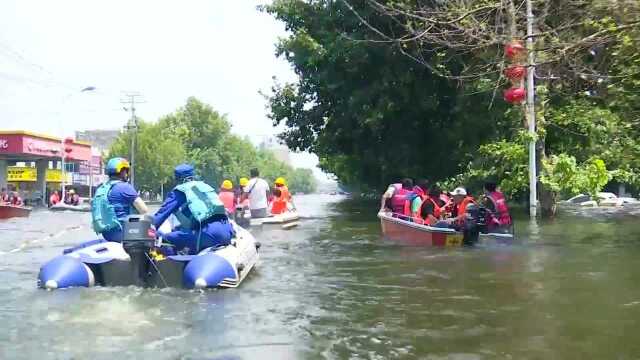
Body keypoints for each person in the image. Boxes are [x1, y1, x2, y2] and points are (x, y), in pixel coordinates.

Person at [153, 164, 235, 255]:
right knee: (181, 232)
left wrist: (149, 228)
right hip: (226, 231)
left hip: (207, 234)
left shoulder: (180, 191)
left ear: (178, 179)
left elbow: (160, 216)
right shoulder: (205, 186)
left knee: (163, 238)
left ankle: (172, 268)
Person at [91, 157, 149, 242]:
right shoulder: (125, 187)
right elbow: (144, 210)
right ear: (122, 172)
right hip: (123, 233)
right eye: (126, 171)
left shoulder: (101, 188)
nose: (126, 174)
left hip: (106, 234)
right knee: (159, 238)